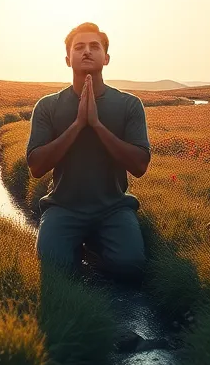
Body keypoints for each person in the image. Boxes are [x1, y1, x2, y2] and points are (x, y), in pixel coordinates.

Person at [26, 22, 151, 285]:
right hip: (63, 207)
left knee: (130, 264)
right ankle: (72, 243)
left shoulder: (129, 104)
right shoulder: (48, 106)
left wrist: (96, 125)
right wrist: (77, 125)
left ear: (106, 58)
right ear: (67, 59)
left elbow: (140, 165)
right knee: (55, 268)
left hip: (113, 208)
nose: (86, 52)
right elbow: (36, 166)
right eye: (78, 47)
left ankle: (94, 246)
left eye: (95, 46)